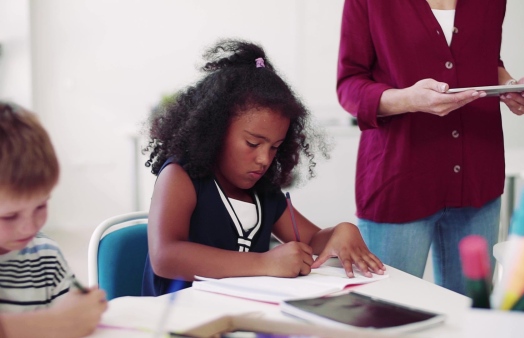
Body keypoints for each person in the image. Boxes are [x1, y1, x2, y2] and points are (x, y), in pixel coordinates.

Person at [141, 39, 385, 296]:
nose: (264, 159)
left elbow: (312, 241)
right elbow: (165, 256)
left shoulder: (264, 192)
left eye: (274, 147)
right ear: (215, 131)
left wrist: (340, 232)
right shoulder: (181, 177)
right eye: (253, 143)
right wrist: (264, 262)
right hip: (178, 318)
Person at [336, 0, 524, 294]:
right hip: (400, 179)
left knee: (472, 314)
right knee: (389, 312)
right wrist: (409, 99)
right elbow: (349, 85)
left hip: (477, 178)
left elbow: (486, 62)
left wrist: (512, 86)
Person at [0, 102, 107, 338]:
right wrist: (57, 324)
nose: (29, 227)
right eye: (9, 216)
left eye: (41, 205)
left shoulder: (46, 256)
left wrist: (83, 313)